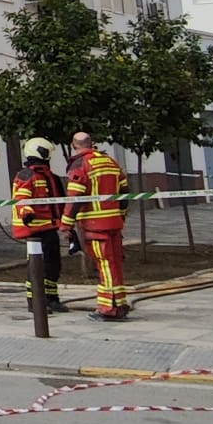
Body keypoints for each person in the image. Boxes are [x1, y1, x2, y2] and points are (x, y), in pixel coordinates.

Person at [65, 131, 131, 320]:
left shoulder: (80, 164)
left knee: (105, 266)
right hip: (114, 223)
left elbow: (74, 198)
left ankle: (108, 309)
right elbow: (125, 192)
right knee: (115, 264)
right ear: (91, 143)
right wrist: (121, 215)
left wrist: (66, 225)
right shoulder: (110, 161)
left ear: (73, 145)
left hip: (95, 225)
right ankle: (120, 302)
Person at [9, 138, 68, 312]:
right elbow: (21, 197)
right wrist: (27, 213)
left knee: (53, 264)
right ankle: (35, 301)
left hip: (50, 227)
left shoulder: (50, 176)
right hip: (34, 229)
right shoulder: (27, 175)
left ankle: (51, 298)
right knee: (36, 265)